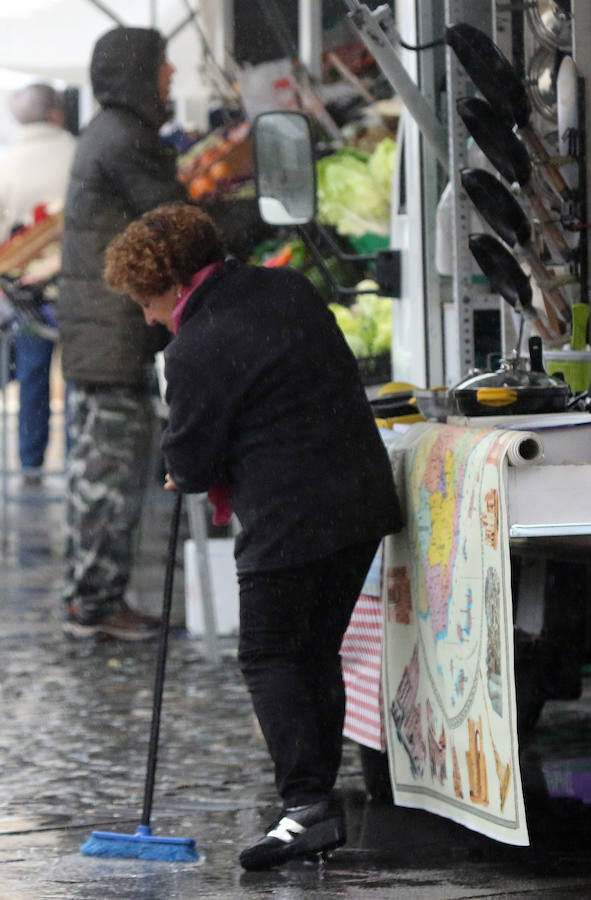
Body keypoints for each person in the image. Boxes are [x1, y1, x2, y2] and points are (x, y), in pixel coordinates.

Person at [103, 203, 403, 870]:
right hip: (358, 503)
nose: (148, 317)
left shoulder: (196, 346)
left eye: (147, 300)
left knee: (270, 656)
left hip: (290, 519)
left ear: (175, 285)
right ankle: (314, 804)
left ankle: (306, 807)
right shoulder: (287, 288)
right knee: (312, 652)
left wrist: (178, 465)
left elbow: (194, 460)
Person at [58, 27, 186, 641]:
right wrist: (247, 215)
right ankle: (95, 604)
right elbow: (175, 224)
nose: (172, 75)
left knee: (98, 479)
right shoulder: (124, 137)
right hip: (111, 340)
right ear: (140, 71)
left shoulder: (109, 131)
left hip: (100, 338)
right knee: (108, 483)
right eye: (164, 65)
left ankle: (93, 597)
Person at [0, 83, 75, 485]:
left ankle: (30, 465)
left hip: (24, 293)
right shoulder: (78, 153)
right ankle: (77, 457)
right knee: (79, 376)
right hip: (79, 285)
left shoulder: (6, 163)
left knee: (32, 374)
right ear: (57, 112)